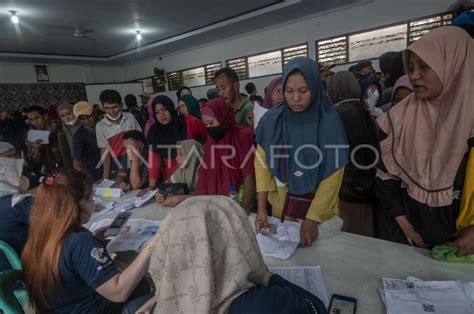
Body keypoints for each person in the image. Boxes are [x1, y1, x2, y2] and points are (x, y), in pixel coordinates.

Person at [375, 26, 474, 256]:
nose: (414, 75)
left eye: (424, 66)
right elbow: (385, 179)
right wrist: (406, 228)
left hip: (462, 247)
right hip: (408, 240)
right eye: (410, 67)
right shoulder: (397, 119)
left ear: (454, 65)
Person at [141, 196, 327, 314]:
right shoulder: (263, 304)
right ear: (240, 236)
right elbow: (316, 307)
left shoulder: (159, 305)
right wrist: (270, 278)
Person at [21, 169, 154, 313]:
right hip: (93, 308)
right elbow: (119, 292)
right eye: (91, 198)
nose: (93, 203)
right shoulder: (79, 242)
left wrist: (97, 239)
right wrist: (150, 246)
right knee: (161, 293)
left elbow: (69, 264)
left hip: (63, 307)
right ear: (80, 204)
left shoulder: (42, 234)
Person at [255, 57, 348, 247]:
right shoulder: (272, 120)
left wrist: (312, 218)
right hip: (282, 207)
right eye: (289, 91)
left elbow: (334, 173)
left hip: (320, 212)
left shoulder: (329, 122)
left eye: (303, 91)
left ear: (314, 87)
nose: (295, 98)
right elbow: (262, 164)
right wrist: (261, 208)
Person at [327, 71, 379, 237]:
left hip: (345, 187)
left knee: (348, 237)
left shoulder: (335, 116)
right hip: (370, 184)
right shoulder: (367, 112)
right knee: (365, 236)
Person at [194, 98, 256, 214]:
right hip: (213, 205)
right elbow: (205, 173)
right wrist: (200, 202)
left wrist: (246, 206)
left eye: (211, 123)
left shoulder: (243, 135)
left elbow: (249, 173)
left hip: (237, 203)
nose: (209, 127)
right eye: (206, 124)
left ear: (223, 117)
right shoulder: (210, 140)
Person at [145, 95, 207, 189]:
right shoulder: (154, 131)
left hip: (192, 175)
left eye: (164, 109)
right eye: (157, 112)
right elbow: (154, 160)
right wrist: (151, 186)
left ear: (171, 108)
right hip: (170, 180)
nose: (161, 115)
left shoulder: (189, 122)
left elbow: (209, 138)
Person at [95, 90, 142, 180]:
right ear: (103, 107)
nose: (111, 111)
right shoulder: (100, 126)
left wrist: (140, 161)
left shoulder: (130, 117)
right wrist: (106, 175)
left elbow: (140, 138)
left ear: (121, 105)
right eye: (107, 108)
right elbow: (105, 150)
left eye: (114, 107)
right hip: (116, 165)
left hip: (135, 161)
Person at [154, 139, 204, 206]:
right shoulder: (182, 171)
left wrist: (181, 198)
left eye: (180, 154)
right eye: (177, 154)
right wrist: (159, 193)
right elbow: (167, 183)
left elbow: (206, 195)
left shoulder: (204, 173)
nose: (176, 158)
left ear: (193, 156)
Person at [25, 105, 62, 174]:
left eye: (37, 118)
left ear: (45, 116)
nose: (35, 122)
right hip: (48, 171)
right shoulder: (31, 137)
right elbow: (35, 161)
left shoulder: (59, 128)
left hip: (66, 166)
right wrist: (37, 150)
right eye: (31, 120)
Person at [72, 101, 103, 181]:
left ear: (94, 113)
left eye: (89, 116)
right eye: (82, 119)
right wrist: (85, 176)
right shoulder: (78, 136)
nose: (87, 121)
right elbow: (76, 160)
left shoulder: (106, 126)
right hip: (94, 172)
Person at [57, 104, 81, 171]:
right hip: (76, 163)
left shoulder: (84, 124)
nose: (67, 117)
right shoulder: (62, 133)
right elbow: (65, 154)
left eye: (69, 113)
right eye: (63, 116)